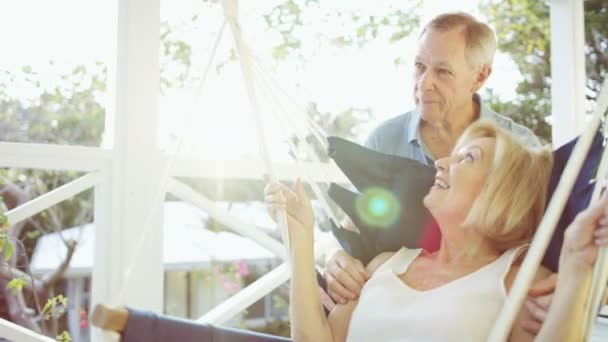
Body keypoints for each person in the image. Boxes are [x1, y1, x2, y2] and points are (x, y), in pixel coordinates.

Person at [318, 12, 555, 332]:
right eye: (419, 66)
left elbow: (554, 242)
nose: (424, 83)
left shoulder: (518, 148)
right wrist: (335, 259)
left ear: (480, 76)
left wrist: (567, 288)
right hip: (396, 299)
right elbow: (353, 227)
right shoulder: (384, 139)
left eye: (443, 71)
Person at [265, 121, 607, 341]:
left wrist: (577, 267)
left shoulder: (520, 284)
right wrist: (300, 238)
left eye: (467, 158)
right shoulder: (385, 264)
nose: (441, 163)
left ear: (500, 191)